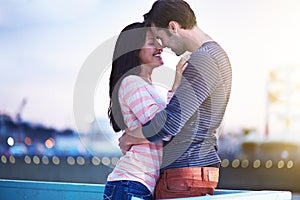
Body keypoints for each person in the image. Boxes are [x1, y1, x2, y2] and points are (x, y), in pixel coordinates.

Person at [119, 0, 232, 199]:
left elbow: (169, 123)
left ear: (173, 27)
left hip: (184, 173)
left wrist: (130, 137)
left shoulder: (202, 59)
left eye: (160, 37)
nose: (163, 46)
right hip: (200, 170)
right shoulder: (219, 56)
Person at [104, 22, 188, 200]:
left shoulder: (144, 86)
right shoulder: (132, 83)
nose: (160, 46)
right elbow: (163, 128)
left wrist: (131, 137)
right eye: (151, 43)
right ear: (134, 51)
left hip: (135, 184)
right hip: (131, 183)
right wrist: (176, 84)